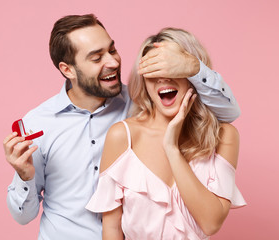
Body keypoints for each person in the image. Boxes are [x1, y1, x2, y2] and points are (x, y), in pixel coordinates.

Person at [3, 14, 241, 240]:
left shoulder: (140, 102)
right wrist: (24, 177)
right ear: (68, 70)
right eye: (97, 58)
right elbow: (23, 216)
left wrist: (195, 68)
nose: (113, 62)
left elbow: (227, 114)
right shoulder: (39, 124)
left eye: (113, 50)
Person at [86, 27, 246, 240]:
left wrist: (172, 149)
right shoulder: (123, 136)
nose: (162, 78)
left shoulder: (223, 136)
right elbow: (112, 229)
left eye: (172, 68)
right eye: (152, 70)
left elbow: (211, 223)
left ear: (192, 75)